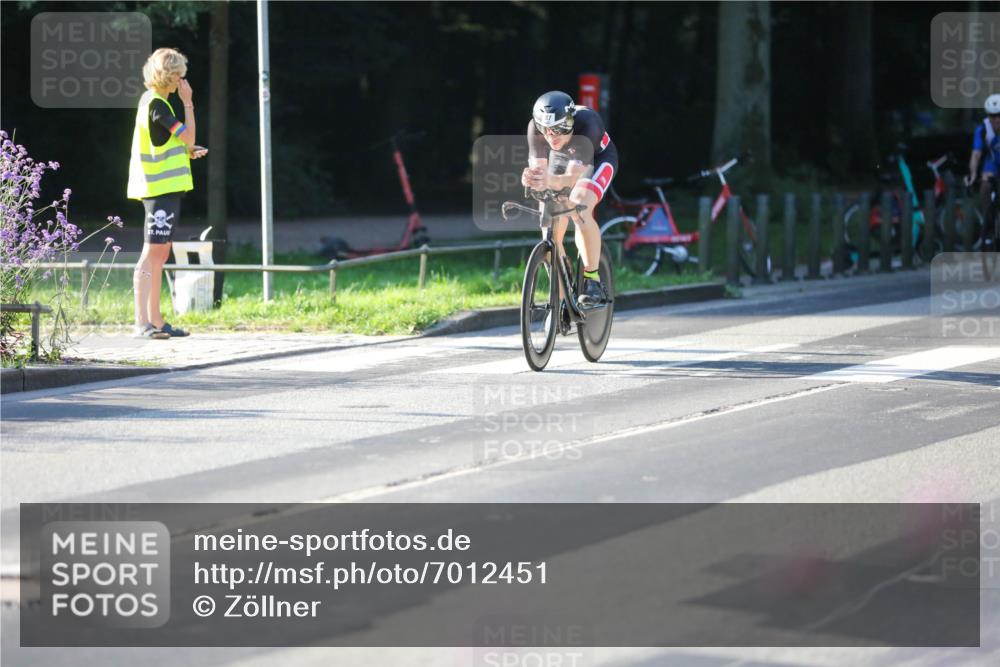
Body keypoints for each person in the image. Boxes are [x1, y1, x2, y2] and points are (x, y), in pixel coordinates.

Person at [127, 48, 208, 339]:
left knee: (160, 254)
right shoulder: (158, 105)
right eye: (180, 77)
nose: (181, 83)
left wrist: (186, 151)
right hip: (158, 191)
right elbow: (188, 135)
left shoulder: (156, 104)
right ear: (170, 76)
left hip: (165, 190)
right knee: (151, 253)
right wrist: (189, 104)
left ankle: (157, 321)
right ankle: (141, 323)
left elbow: (174, 142)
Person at [521, 90, 619, 307]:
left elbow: (571, 177)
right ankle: (563, 296)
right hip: (561, 160)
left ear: (570, 122)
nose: (551, 136)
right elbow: (540, 171)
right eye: (545, 130)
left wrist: (548, 180)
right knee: (549, 229)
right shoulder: (535, 129)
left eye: (558, 129)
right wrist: (532, 178)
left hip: (596, 159)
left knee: (580, 207)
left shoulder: (589, 123)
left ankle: (592, 279)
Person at [964, 93, 1000, 250]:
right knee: (985, 187)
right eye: (993, 116)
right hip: (992, 164)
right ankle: (989, 224)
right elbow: (976, 154)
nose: (997, 119)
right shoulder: (982, 129)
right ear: (988, 116)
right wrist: (973, 175)